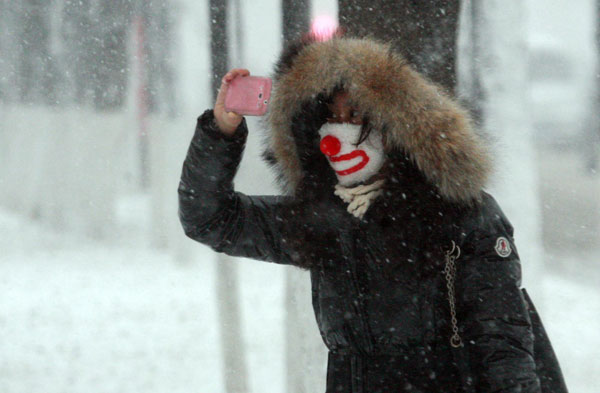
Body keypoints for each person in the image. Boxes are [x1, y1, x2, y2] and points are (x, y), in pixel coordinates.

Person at [178, 36, 567, 393]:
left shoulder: (462, 214)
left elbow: (503, 344)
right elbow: (210, 218)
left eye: (355, 117)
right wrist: (220, 130)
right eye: (329, 117)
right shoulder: (322, 215)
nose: (337, 132)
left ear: (397, 127)